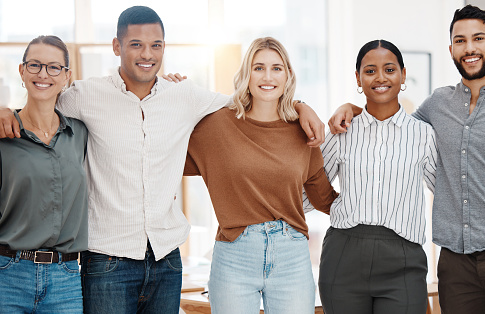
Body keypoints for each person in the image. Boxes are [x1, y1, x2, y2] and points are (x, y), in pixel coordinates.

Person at [0, 6, 324, 313]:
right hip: (107, 260)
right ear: (117, 46)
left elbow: (255, 99)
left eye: (156, 45)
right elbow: (40, 102)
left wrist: (300, 106)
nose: (147, 54)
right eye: (136, 44)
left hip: (167, 259)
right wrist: (5, 111)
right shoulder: (83, 97)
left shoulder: (185, 95)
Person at [329, 5, 485, 314]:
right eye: (460, 41)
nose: (469, 48)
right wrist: (351, 108)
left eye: (478, 38)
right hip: (455, 263)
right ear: (451, 49)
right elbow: (392, 125)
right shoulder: (436, 104)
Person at [182, 37, 338, 314]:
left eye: (277, 68)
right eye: (258, 68)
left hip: (291, 254)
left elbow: (325, 199)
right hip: (234, 254)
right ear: (246, 74)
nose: (268, 77)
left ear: (288, 75)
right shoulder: (216, 126)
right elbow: (165, 156)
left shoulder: (304, 131)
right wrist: (170, 94)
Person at [302, 39, 437, 314]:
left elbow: (449, 193)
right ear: (358, 78)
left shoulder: (423, 135)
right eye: (370, 71)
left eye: (389, 69)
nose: (380, 78)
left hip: (404, 259)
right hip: (344, 256)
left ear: (403, 75)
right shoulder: (342, 132)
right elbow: (306, 194)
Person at [0, 35, 87, 312]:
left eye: (53, 67)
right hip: (7, 275)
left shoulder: (80, 133)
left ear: (66, 76)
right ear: (22, 71)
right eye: (35, 65)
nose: (43, 74)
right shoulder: (3, 132)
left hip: (66, 278)